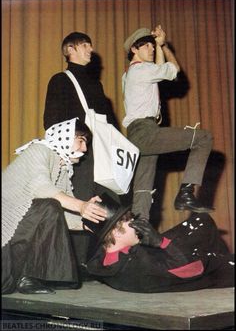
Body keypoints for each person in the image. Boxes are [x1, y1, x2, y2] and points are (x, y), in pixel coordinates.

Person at [2, 118, 107, 295]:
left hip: (19, 238)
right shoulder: (39, 150)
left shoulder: (62, 169)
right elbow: (41, 187)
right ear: (64, 136)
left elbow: (61, 213)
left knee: (51, 206)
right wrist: (82, 206)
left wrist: (92, 223)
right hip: (8, 237)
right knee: (49, 204)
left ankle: (32, 277)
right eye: (81, 141)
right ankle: (34, 276)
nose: (84, 149)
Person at [43, 31, 120, 269]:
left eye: (89, 45)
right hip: (80, 156)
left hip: (104, 155)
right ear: (70, 50)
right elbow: (52, 121)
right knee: (81, 204)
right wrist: (75, 147)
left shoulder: (95, 84)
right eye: (85, 45)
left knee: (109, 204)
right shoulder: (60, 79)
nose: (90, 49)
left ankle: (103, 260)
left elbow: (111, 125)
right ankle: (76, 266)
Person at [122, 25, 214, 221]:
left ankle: (139, 235)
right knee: (203, 138)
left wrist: (158, 45)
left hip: (136, 136)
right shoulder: (142, 70)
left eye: (152, 46)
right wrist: (164, 46)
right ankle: (186, 194)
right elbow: (173, 70)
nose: (152, 49)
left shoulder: (130, 74)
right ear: (134, 50)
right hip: (145, 131)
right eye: (147, 46)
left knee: (143, 191)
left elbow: (158, 70)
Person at [84, 194, 234, 293]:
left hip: (160, 259)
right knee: (220, 258)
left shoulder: (104, 257)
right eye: (128, 220)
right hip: (194, 268)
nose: (134, 222)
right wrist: (161, 242)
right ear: (115, 232)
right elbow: (191, 269)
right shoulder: (137, 263)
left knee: (202, 220)